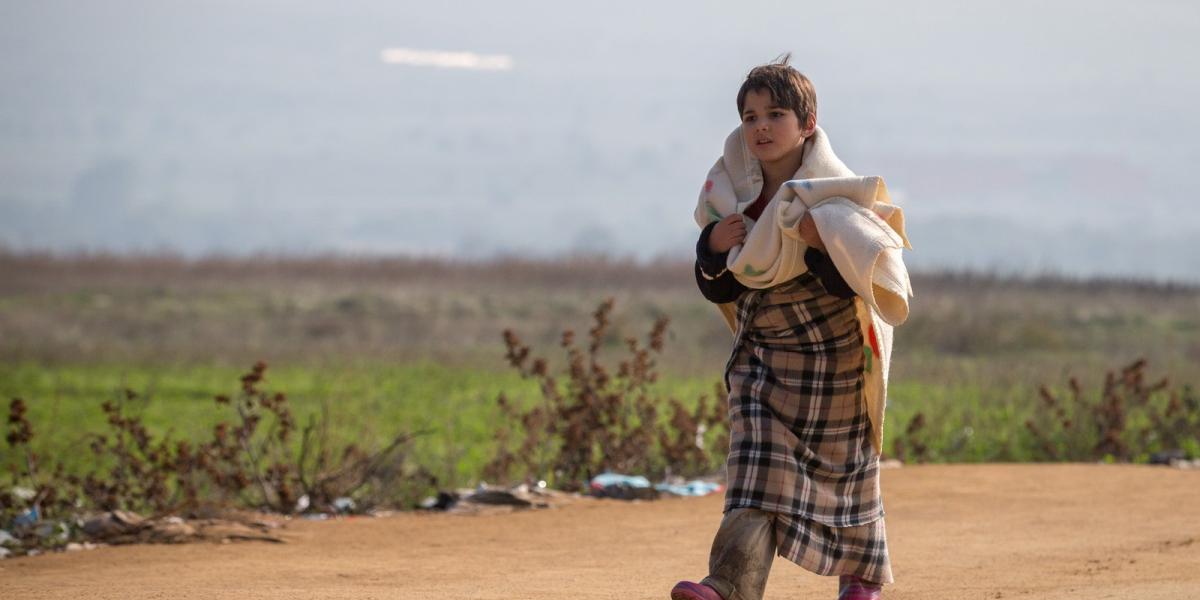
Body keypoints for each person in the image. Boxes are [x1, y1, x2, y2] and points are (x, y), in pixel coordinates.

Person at [671, 56, 895, 600]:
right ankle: (727, 587)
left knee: (845, 470)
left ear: (807, 123)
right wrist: (712, 249)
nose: (761, 127)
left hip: (833, 354)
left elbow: (863, 285)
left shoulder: (837, 199)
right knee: (753, 465)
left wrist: (823, 246)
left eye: (775, 114)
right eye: (749, 117)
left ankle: (861, 579)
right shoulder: (726, 197)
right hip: (763, 352)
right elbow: (721, 288)